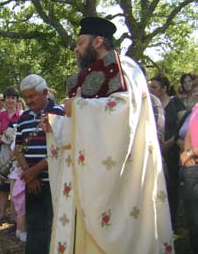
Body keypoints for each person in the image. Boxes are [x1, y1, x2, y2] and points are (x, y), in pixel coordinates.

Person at [45, 17, 173, 253]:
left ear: (98, 41)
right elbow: (81, 128)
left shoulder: (125, 67)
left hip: (121, 177)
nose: (76, 48)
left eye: (80, 42)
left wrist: (78, 107)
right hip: (87, 177)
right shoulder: (91, 74)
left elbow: (123, 115)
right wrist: (57, 124)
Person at [14, 74, 65, 254]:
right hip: (31, 183)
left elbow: (62, 149)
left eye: (32, 96)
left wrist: (35, 171)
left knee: (55, 225)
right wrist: (29, 174)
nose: (28, 101)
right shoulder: (23, 117)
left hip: (54, 182)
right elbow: (18, 148)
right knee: (34, 225)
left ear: (44, 93)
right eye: (26, 97)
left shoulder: (60, 113)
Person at [149, 75, 186, 229]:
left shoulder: (175, 102)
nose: (151, 90)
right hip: (156, 152)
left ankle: (172, 225)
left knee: (171, 188)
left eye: (154, 87)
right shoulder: (149, 105)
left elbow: (184, 124)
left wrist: (171, 142)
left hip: (172, 152)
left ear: (164, 89)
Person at [0, 87, 21, 221]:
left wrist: (15, 140)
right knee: (2, 183)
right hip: (4, 151)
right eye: (8, 98)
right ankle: (2, 212)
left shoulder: (22, 115)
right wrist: (6, 137)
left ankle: (15, 215)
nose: (10, 100)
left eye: (13, 98)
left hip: (19, 152)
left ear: (17, 100)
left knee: (17, 183)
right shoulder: (0, 115)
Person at [179, 92, 198, 254]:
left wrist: (191, 152)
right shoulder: (196, 108)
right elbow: (189, 134)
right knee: (193, 217)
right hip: (192, 169)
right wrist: (187, 156)